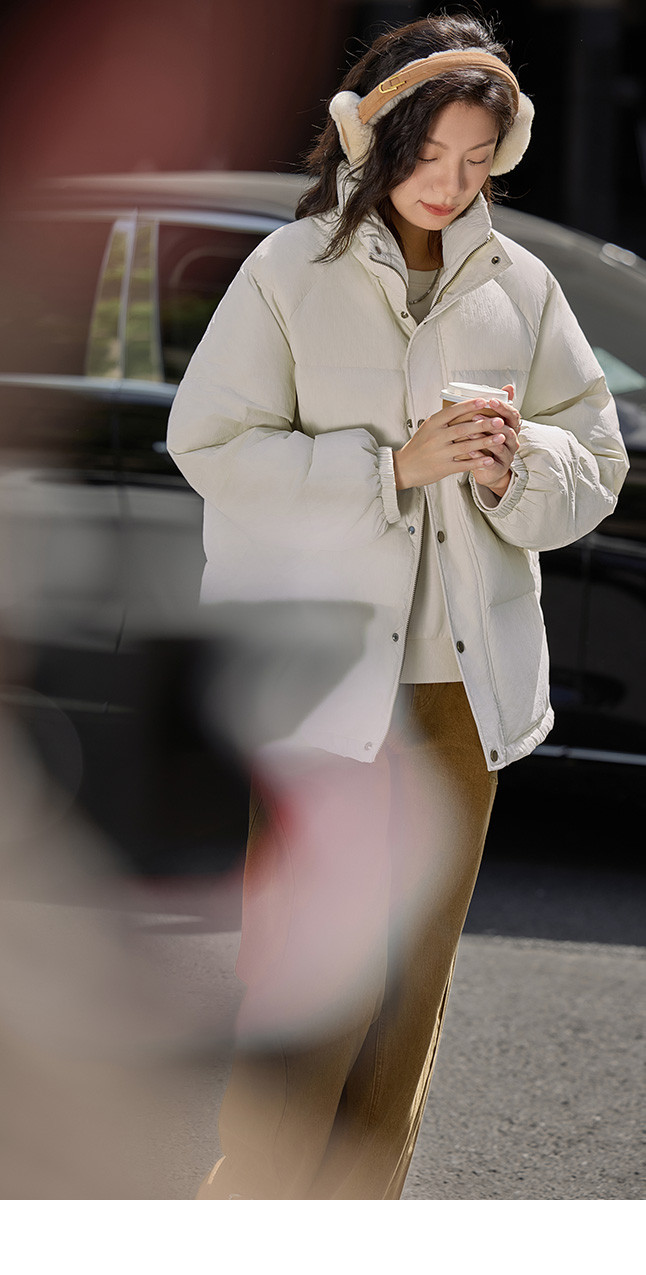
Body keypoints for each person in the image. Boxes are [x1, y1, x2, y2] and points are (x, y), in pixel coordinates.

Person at [166, 12, 628, 1199]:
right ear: (375, 137)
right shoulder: (290, 272)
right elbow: (210, 445)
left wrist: (515, 468)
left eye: (477, 159)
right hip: (321, 683)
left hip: (459, 696)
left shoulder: (520, 285)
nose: (451, 183)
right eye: (431, 154)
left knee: (410, 987)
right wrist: (391, 469)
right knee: (308, 978)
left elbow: (596, 459)